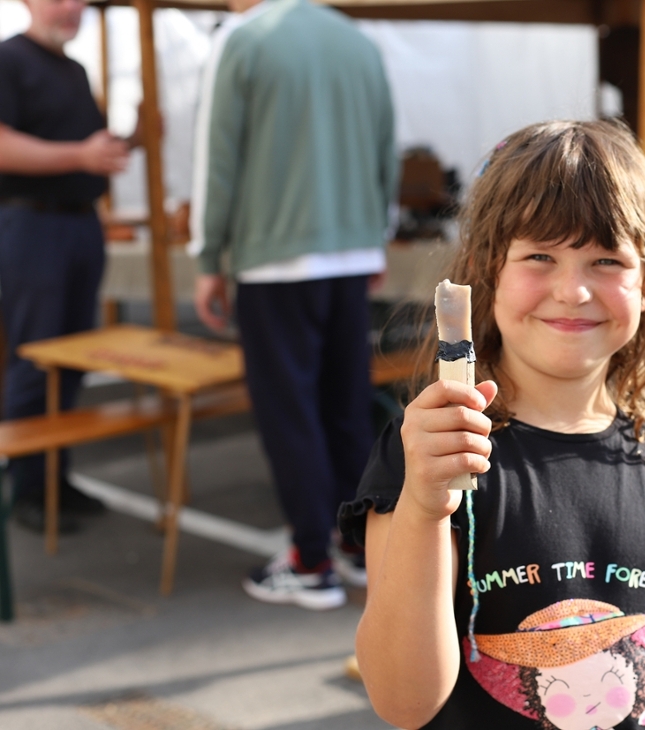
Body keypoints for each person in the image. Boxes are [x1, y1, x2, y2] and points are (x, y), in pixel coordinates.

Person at [341, 120, 645, 729]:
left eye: (606, 259)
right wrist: (425, 506)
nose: (573, 290)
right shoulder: (433, 456)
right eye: (539, 256)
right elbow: (403, 701)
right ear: (485, 272)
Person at [190, 0, 399, 609]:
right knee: (345, 404)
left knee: (290, 411)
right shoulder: (357, 41)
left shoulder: (243, 39)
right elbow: (388, 146)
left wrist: (208, 259)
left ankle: (311, 560)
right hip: (352, 252)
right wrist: (374, 233)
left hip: (274, 259)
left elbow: (218, 157)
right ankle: (360, 547)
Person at [0, 0, 133, 533]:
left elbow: (89, 151)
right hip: (34, 226)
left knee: (74, 356)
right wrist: (79, 157)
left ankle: (55, 476)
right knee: (36, 358)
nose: (72, 6)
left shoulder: (74, 69)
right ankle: (28, 485)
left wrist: (133, 139)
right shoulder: (9, 59)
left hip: (79, 224)